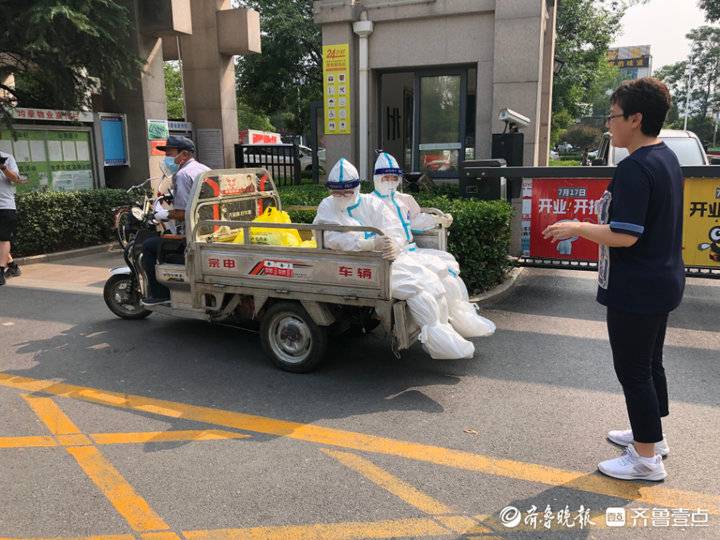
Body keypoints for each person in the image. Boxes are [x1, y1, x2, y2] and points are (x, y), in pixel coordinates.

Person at [543, 77, 684, 481]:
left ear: (636, 119)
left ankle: (646, 460)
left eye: (613, 116)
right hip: (661, 281)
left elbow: (625, 235)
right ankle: (651, 437)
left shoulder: (635, 168)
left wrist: (577, 227)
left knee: (634, 371)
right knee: (649, 363)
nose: (609, 124)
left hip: (637, 288)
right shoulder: (666, 157)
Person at [314, 158, 474, 359]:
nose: (342, 197)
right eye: (337, 192)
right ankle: (438, 338)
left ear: (356, 188)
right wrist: (367, 244)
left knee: (430, 282)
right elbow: (329, 237)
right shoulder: (327, 205)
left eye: (347, 192)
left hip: (383, 260)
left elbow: (394, 229)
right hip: (351, 264)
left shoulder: (372, 203)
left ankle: (443, 331)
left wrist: (393, 245)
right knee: (415, 288)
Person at [370, 152, 495, 339]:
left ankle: (458, 318)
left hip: (410, 251)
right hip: (392, 256)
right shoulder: (369, 202)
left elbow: (415, 220)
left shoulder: (404, 199)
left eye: (393, 178)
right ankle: (437, 330)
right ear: (376, 178)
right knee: (428, 283)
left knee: (447, 271)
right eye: (385, 177)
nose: (390, 181)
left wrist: (437, 220)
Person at [142, 136, 209, 305]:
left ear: (184, 154)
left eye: (170, 153)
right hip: (208, 230)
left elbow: (182, 213)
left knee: (149, 246)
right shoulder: (204, 169)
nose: (167, 158)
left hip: (192, 235)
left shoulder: (182, 174)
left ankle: (160, 294)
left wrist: (162, 215)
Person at [0, 150, 23, 287]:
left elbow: (16, 179)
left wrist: (3, 167)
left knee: (3, 238)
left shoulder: (7, 157)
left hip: (4, 205)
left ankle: (0, 271)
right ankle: (12, 266)